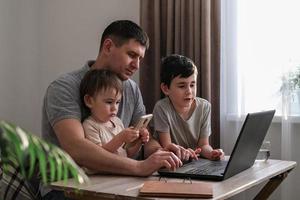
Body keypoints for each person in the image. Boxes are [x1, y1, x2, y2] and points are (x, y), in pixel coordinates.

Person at [41, 20, 181, 199]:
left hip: (117, 184)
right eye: (131, 54)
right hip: (64, 189)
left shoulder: (131, 89)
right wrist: (139, 167)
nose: (137, 65)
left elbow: (145, 138)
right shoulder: (64, 87)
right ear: (108, 47)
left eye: (140, 58)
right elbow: (76, 148)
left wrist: (162, 153)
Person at [152, 54, 224, 161]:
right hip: (173, 160)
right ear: (166, 89)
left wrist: (212, 153)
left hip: (194, 161)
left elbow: (203, 145)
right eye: (182, 86)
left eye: (192, 85)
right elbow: (167, 147)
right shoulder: (161, 108)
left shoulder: (205, 107)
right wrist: (184, 153)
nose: (189, 91)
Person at [80, 69, 150, 173]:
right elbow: (99, 157)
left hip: (118, 175)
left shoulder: (117, 122)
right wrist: (121, 138)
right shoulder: (90, 125)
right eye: (109, 102)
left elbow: (127, 154)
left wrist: (139, 141)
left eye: (117, 102)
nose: (115, 108)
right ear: (89, 101)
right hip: (98, 179)